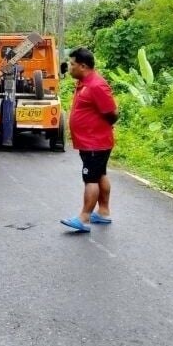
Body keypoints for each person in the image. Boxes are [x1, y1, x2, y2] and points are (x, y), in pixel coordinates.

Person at [60, 48, 118, 233]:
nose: (69, 67)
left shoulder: (96, 85)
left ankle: (84, 218)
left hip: (95, 142)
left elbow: (112, 113)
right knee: (100, 174)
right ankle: (103, 213)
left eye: (72, 64)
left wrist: (99, 130)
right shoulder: (84, 83)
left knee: (90, 178)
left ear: (83, 66)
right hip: (91, 141)